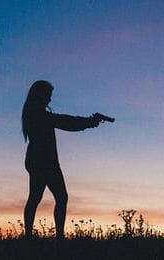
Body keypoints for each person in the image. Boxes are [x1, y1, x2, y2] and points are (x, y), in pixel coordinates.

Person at [21, 80, 102, 239]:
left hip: (38, 160)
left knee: (37, 197)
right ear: (40, 95)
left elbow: (65, 121)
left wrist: (87, 122)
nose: (50, 99)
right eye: (48, 95)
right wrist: (89, 122)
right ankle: (57, 237)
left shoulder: (33, 112)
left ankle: (30, 236)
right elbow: (66, 122)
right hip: (45, 162)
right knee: (59, 197)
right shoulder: (38, 114)